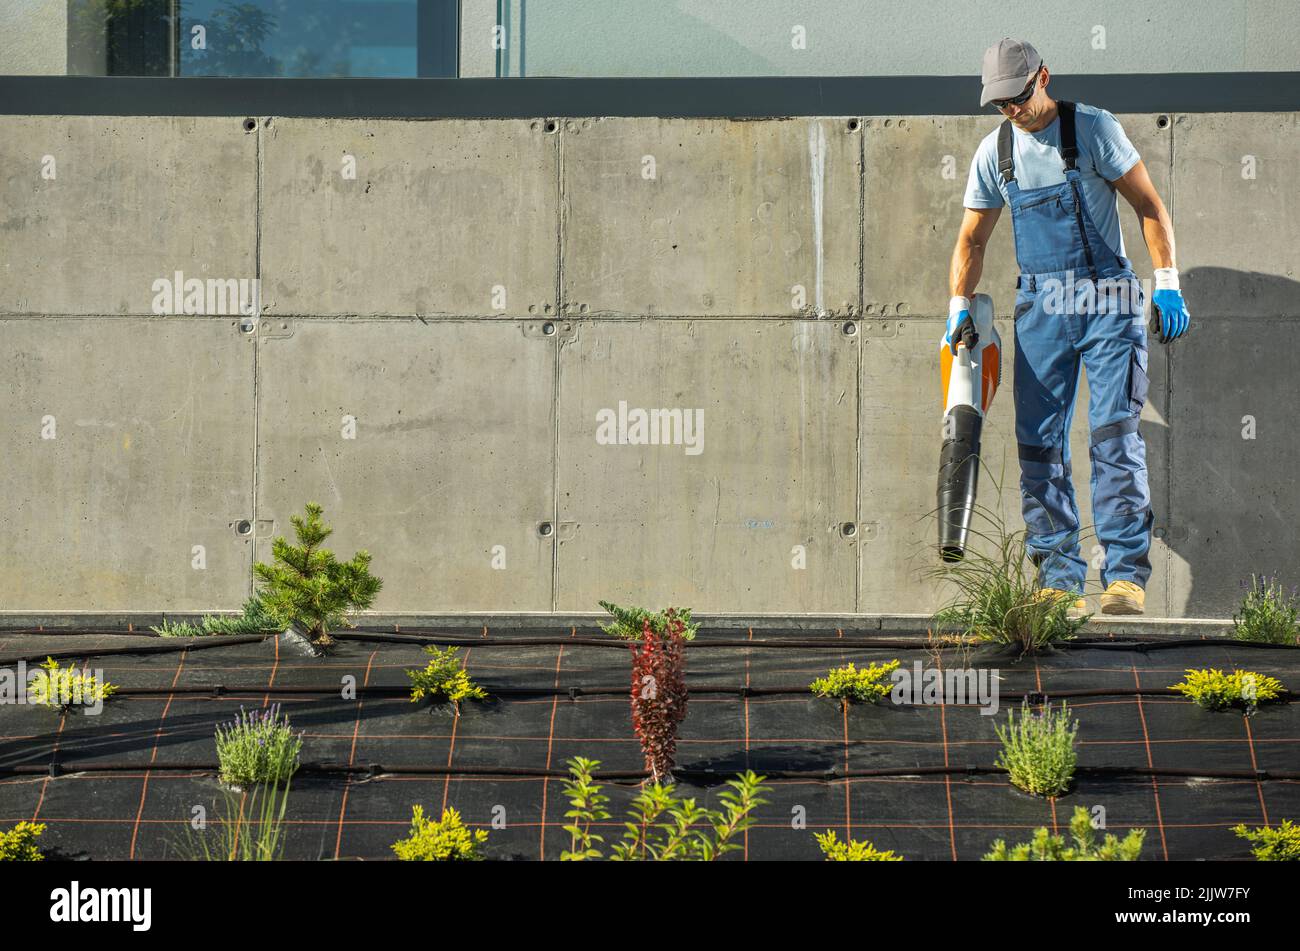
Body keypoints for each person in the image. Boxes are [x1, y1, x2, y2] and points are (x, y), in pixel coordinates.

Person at [946, 38, 1191, 616]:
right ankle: (1058, 577)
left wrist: (1168, 281)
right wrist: (958, 302)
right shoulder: (996, 151)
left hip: (1107, 298)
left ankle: (1125, 576)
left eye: (1019, 96)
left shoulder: (1093, 129)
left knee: (1114, 435)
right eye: (1000, 102)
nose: (1012, 109)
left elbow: (1149, 206)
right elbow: (972, 239)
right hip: (1041, 309)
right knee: (1038, 445)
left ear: (1043, 78)